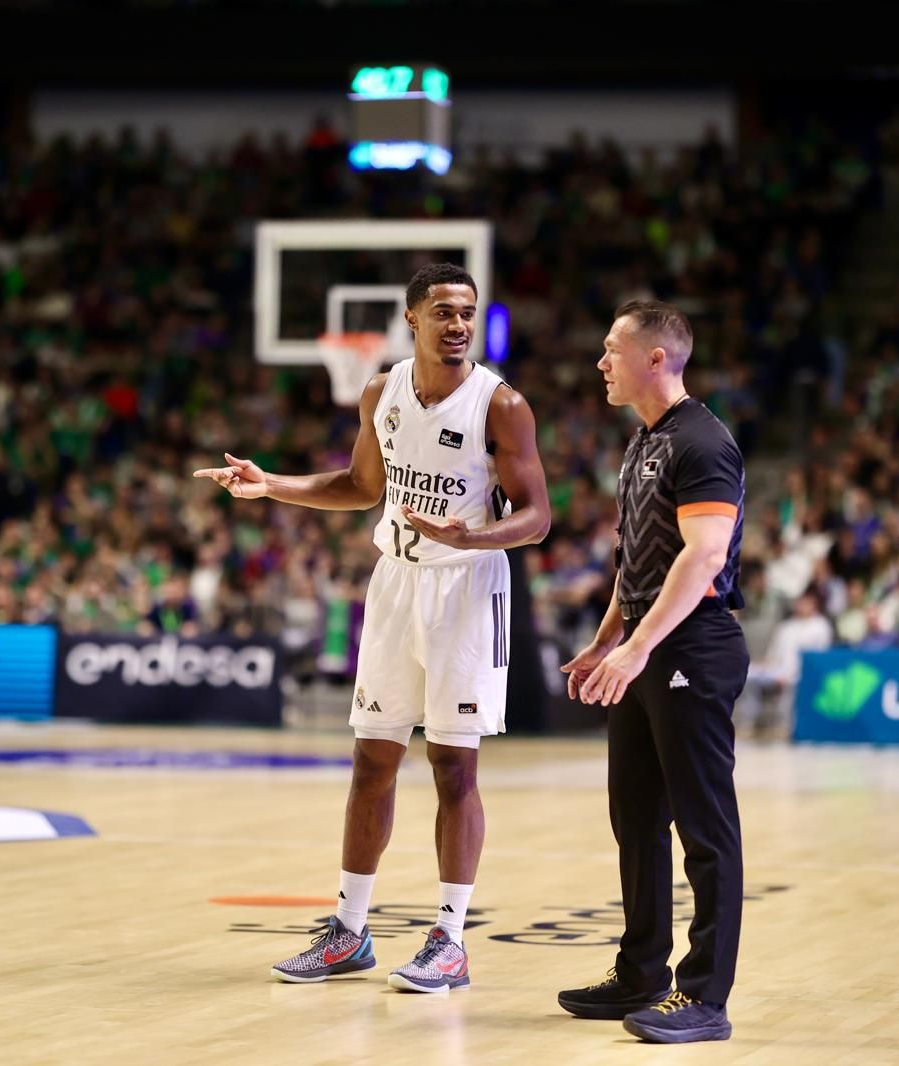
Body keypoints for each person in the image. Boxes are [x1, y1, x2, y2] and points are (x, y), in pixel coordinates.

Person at [193, 263, 550, 992]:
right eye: (444, 312)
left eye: (468, 312)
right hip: (395, 584)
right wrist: (271, 485)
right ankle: (350, 931)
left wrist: (473, 537)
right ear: (412, 319)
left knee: (453, 766)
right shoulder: (379, 392)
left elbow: (538, 517)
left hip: (466, 590)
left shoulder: (501, 405)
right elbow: (361, 488)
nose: (459, 324)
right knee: (371, 760)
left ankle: (450, 939)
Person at [555, 299, 749, 1044]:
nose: (601, 361)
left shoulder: (703, 442)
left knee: (705, 826)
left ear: (656, 358)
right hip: (646, 644)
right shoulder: (644, 441)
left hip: (692, 646)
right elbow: (636, 560)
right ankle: (641, 973)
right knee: (635, 817)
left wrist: (637, 648)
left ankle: (704, 997)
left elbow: (702, 558)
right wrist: (608, 640)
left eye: (613, 348)